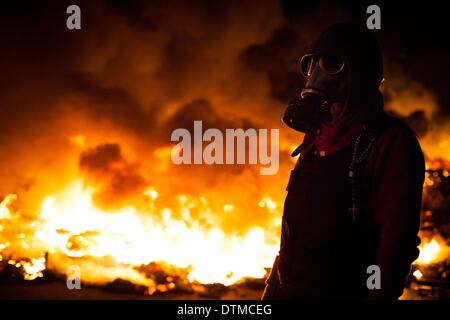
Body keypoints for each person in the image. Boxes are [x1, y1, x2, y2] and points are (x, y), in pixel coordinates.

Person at [262, 23, 425, 300]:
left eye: (332, 63)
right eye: (312, 64)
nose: (318, 74)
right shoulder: (316, 135)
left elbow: (397, 241)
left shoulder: (391, 142)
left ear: (361, 72)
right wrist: (273, 289)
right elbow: (297, 229)